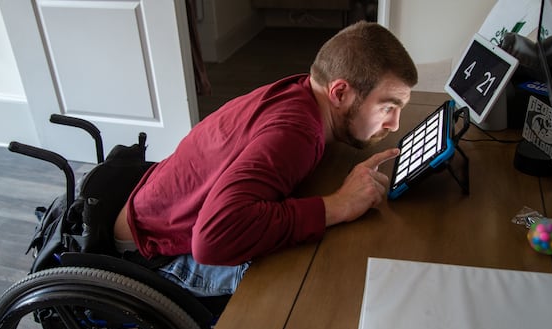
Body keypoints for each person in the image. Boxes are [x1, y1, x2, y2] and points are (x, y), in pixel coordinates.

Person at [114, 21, 418, 297]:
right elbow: (211, 240)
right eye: (387, 107)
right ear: (339, 92)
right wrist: (338, 205)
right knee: (306, 288)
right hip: (153, 252)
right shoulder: (296, 133)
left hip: (149, 213)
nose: (394, 124)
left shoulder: (301, 92)